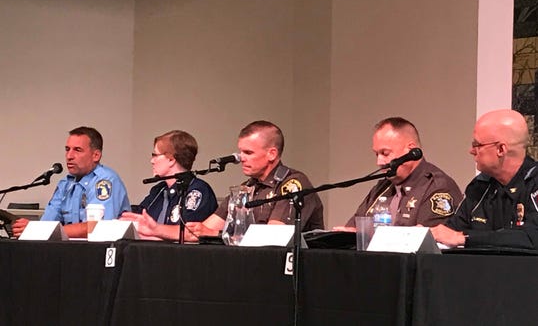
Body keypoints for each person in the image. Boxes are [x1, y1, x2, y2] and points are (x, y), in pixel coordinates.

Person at [132, 120, 324, 241]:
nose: (241, 158)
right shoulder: (246, 188)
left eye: (248, 152)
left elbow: (272, 237)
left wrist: (216, 235)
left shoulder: (292, 183)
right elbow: (201, 230)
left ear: (271, 154)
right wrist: (156, 229)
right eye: (241, 152)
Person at [431, 109, 538, 249]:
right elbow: (452, 231)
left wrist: (465, 238)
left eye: (477, 145)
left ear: (501, 149)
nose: (471, 151)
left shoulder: (535, 182)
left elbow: (534, 237)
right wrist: (427, 235)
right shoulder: (480, 186)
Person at [335, 117, 462, 230]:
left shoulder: (437, 186)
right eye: (376, 154)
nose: (379, 162)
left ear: (411, 150)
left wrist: (368, 235)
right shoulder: (382, 188)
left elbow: (425, 241)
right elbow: (353, 229)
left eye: (385, 153)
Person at [11, 126, 131, 238]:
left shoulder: (105, 181)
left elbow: (97, 228)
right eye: (67, 149)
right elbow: (48, 222)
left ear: (96, 155)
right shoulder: (65, 183)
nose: (69, 156)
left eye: (77, 150)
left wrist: (37, 229)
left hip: (104, 253)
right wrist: (31, 229)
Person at [120, 130, 217, 240]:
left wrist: (153, 231)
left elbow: (189, 233)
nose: (152, 161)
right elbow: (140, 214)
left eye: (155, 155)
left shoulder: (197, 191)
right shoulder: (159, 190)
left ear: (171, 159)